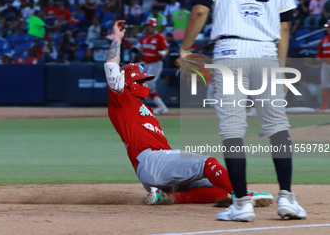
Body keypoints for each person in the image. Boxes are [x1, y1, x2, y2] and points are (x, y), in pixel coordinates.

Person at [104, 20, 273, 206]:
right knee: (208, 163)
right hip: (152, 160)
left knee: (219, 190)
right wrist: (117, 39)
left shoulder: (144, 109)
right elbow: (111, 68)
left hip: (158, 166)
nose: (145, 85)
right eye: (142, 82)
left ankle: (166, 197)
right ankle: (242, 195)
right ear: (129, 85)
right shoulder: (122, 101)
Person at [180, 0, 307, 221]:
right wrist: (280, 71)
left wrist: (185, 49)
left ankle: (241, 204)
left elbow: (199, 10)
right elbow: (284, 29)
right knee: (277, 126)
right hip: (266, 52)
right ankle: (287, 198)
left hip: (230, 51)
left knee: (232, 129)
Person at [134, 18, 168, 115]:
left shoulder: (160, 37)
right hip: (146, 63)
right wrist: (131, 60)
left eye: (150, 26)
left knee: (149, 84)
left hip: (156, 63)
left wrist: (163, 53)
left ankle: (139, 106)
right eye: (147, 26)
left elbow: (166, 49)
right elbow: (137, 49)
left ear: (155, 27)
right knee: (150, 87)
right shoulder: (143, 38)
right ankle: (162, 107)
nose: (148, 28)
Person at [316, 20, 330, 111]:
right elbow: (319, 53)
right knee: (324, 84)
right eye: (327, 27)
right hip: (325, 64)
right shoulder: (324, 39)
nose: (328, 29)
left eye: (329, 27)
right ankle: (325, 105)